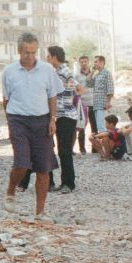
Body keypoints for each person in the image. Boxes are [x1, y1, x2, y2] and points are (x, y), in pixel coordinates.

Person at [2, 33, 63, 221]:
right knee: (21, 163)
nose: (30, 56)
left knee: (44, 168)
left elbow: (53, 95)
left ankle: (40, 212)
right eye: (26, 52)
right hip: (18, 119)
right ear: (19, 50)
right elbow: (6, 99)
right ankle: (11, 191)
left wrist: (52, 119)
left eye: (33, 52)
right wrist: (11, 121)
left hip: (42, 120)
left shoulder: (47, 70)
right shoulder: (9, 72)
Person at [47, 46, 83, 193]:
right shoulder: (57, 72)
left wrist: (68, 100)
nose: (47, 59)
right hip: (58, 115)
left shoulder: (64, 72)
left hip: (65, 116)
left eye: (49, 56)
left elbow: (79, 89)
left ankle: (68, 183)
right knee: (57, 150)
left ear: (55, 57)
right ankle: (63, 182)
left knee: (64, 151)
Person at [86, 55, 114, 146]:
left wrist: (108, 101)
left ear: (102, 62)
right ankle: (105, 147)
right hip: (96, 103)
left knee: (102, 126)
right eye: (94, 62)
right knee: (99, 125)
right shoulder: (98, 74)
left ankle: (107, 148)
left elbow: (110, 88)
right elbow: (88, 82)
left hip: (102, 103)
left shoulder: (106, 73)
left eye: (96, 61)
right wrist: (93, 70)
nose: (94, 63)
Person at [73, 56, 92, 154]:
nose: (84, 63)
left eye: (85, 61)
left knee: (94, 126)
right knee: (81, 126)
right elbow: (75, 88)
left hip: (92, 103)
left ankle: (95, 149)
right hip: (82, 103)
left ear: (88, 61)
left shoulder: (93, 74)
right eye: (82, 62)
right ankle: (82, 148)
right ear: (80, 63)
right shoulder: (76, 75)